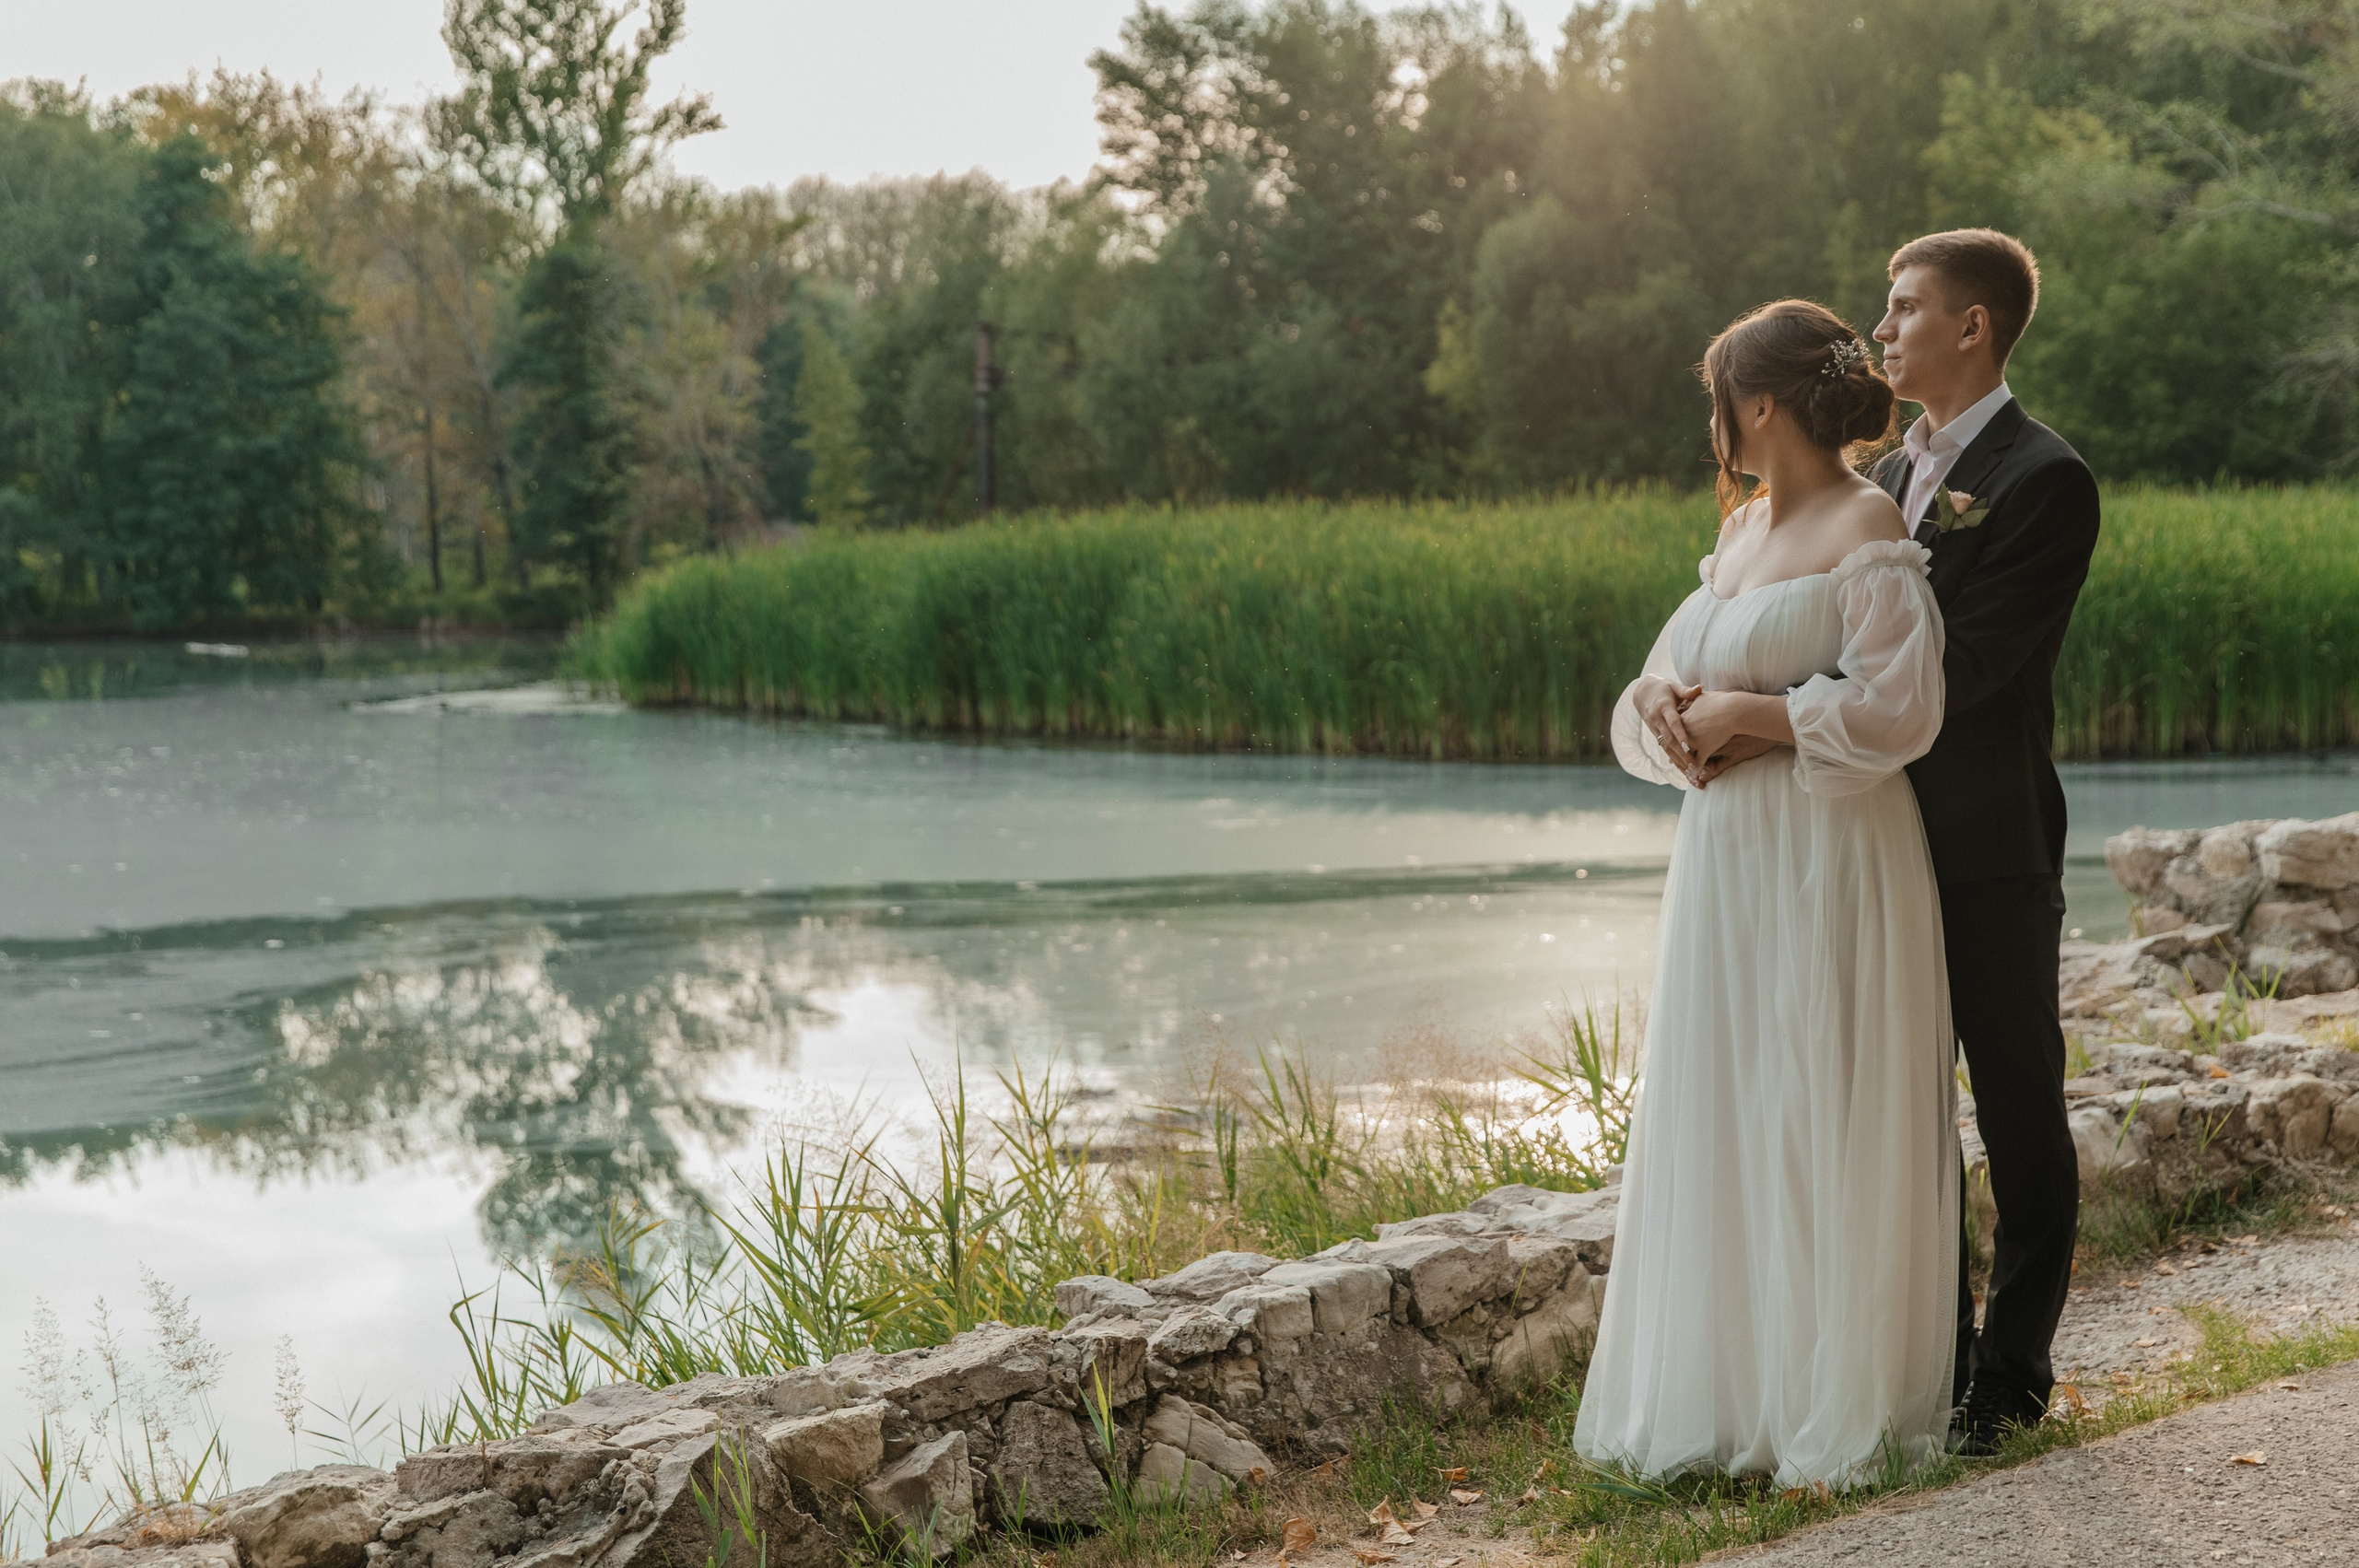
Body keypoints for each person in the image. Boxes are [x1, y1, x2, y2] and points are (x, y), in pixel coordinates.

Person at [1571, 298, 1959, 1486]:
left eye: (1718, 405)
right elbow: (1668, 671)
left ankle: (1827, 1400)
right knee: (1732, 1091)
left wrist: (1764, 717)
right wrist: (1660, 706)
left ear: (1756, 404)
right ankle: (1729, 1396)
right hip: (1726, 863)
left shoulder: (1868, 518)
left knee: (1817, 1089)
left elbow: (1905, 710)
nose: (1716, 428)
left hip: (1828, 848)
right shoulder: (1735, 535)